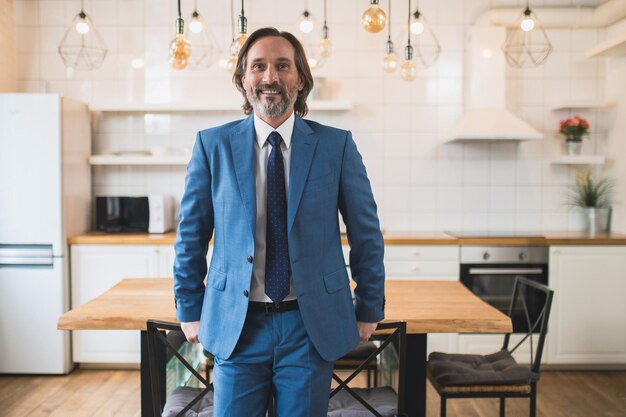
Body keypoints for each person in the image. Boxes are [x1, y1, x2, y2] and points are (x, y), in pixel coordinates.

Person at [173, 27, 385, 417]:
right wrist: (188, 306)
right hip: (236, 326)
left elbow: (365, 233)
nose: (270, 77)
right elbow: (191, 234)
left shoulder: (336, 146)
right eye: (259, 66)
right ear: (243, 79)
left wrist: (369, 305)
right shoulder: (211, 145)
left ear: (300, 79)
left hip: (309, 326)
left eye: (282, 66)